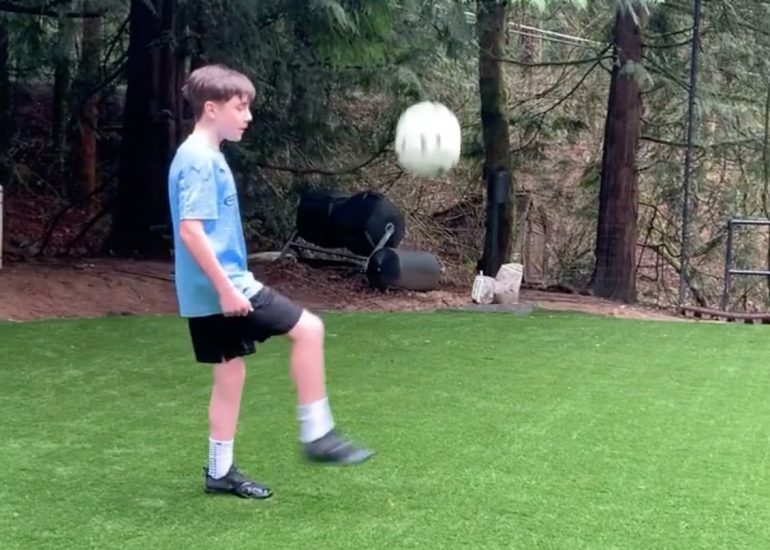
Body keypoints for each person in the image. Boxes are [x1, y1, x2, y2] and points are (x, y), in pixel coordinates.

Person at [167, 63, 373, 500]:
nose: (248, 117)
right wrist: (227, 289)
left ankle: (219, 472)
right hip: (224, 286)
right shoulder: (200, 160)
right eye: (240, 108)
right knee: (309, 330)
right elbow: (191, 231)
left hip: (203, 291)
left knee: (230, 374)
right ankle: (318, 434)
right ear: (211, 108)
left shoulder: (196, 154)